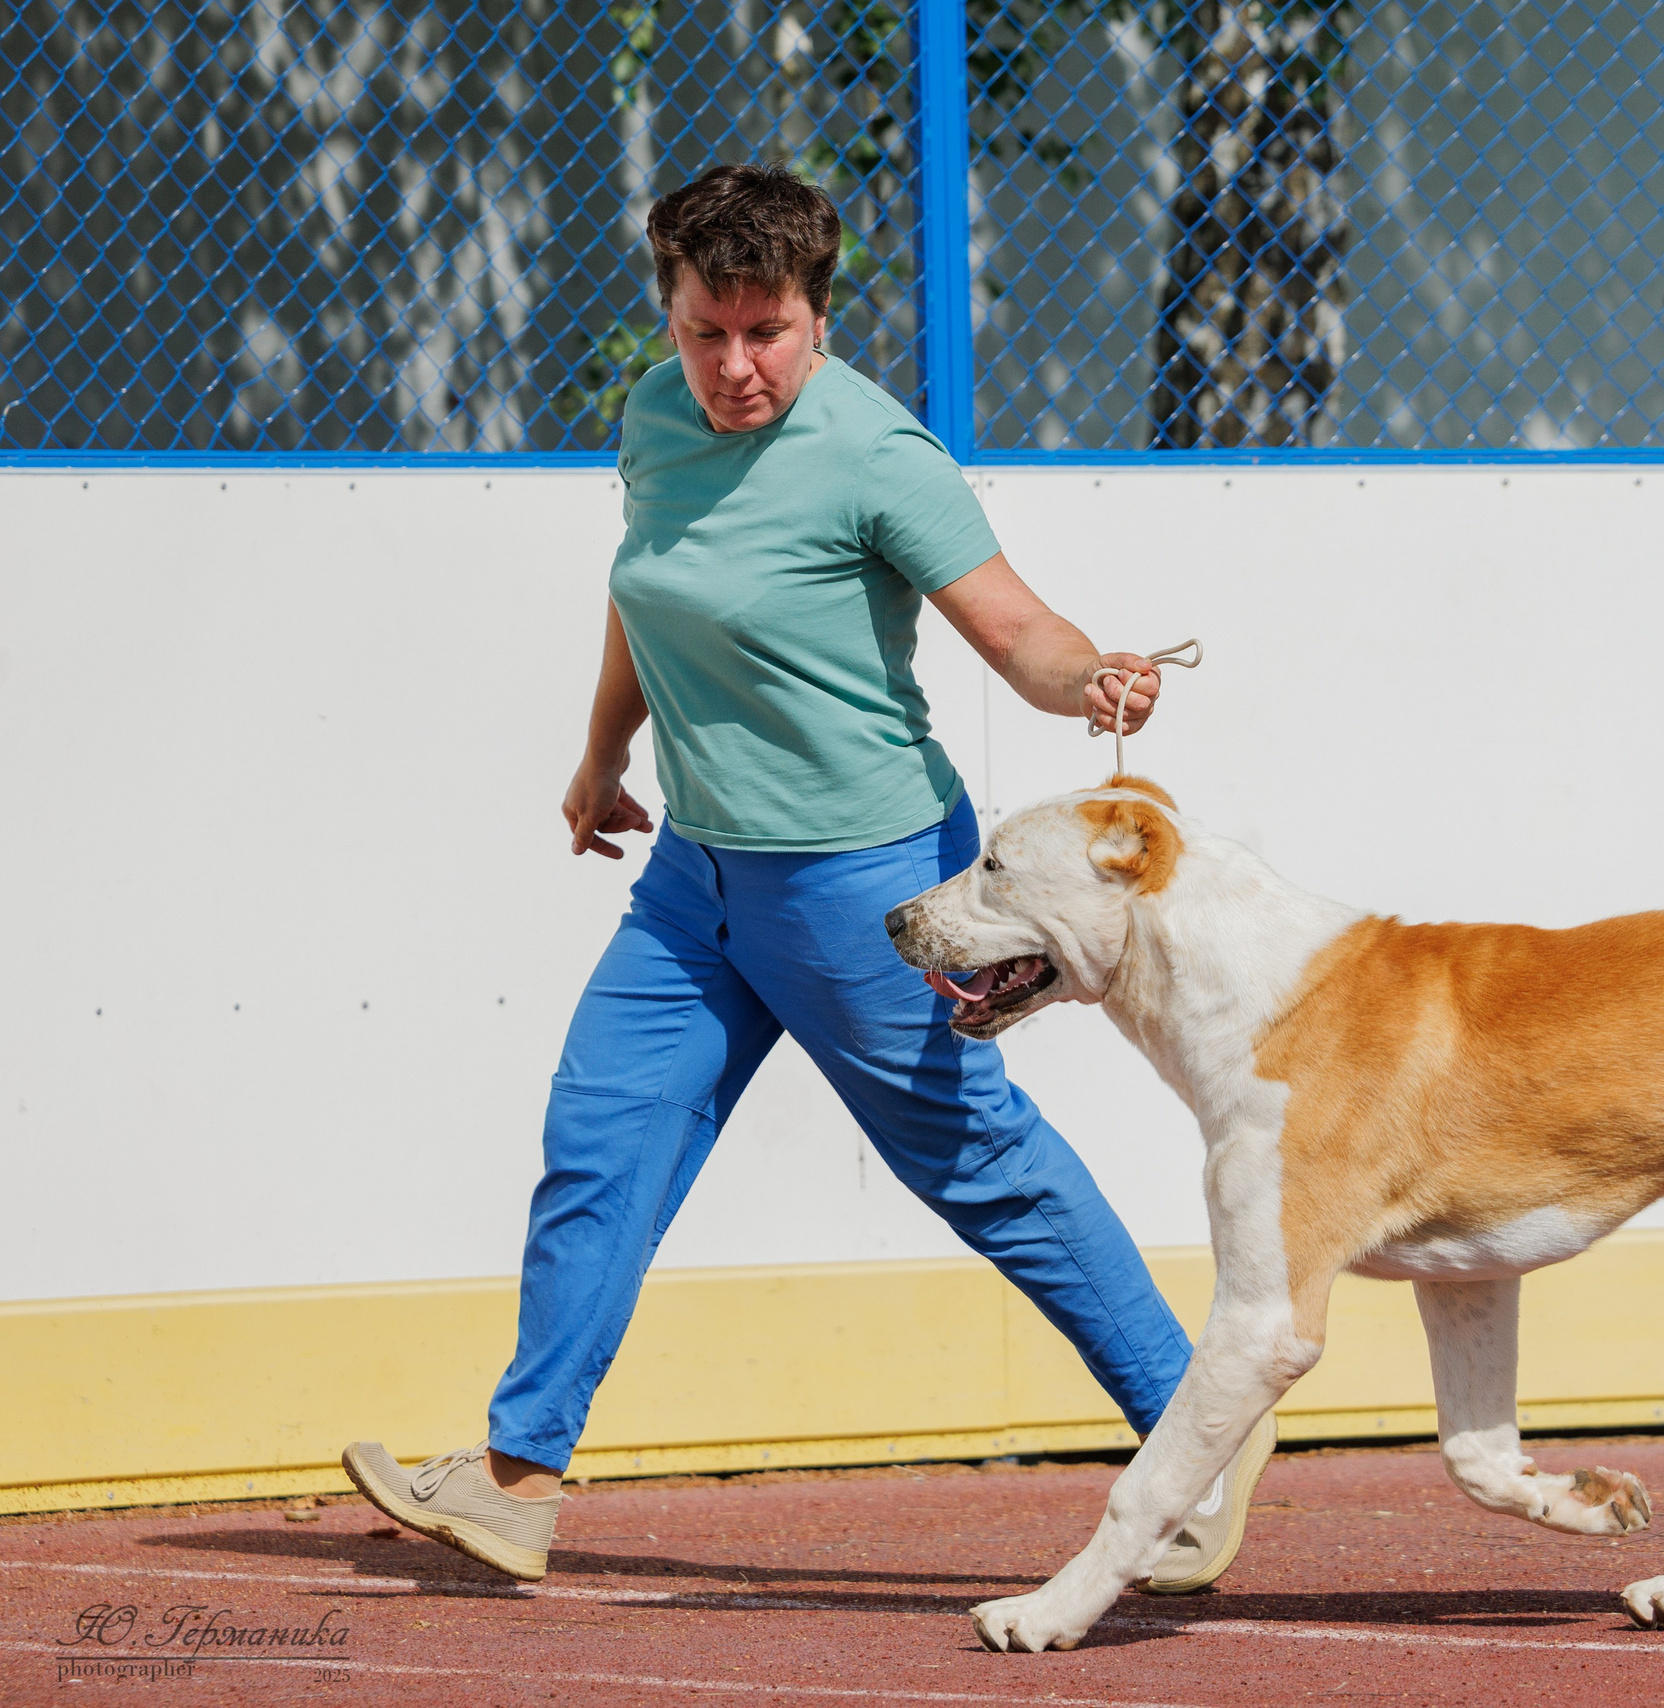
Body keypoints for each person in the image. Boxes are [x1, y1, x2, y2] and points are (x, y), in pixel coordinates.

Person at [342, 162, 1272, 1596]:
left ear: (817, 318)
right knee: (603, 1142)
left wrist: (1096, 677)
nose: (732, 366)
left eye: (764, 331)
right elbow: (647, 585)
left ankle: (1189, 1450)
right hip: (698, 883)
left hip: (866, 882)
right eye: (705, 329)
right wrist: (604, 756)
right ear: (669, 309)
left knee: (980, 1165)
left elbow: (1016, 631)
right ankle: (519, 1478)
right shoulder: (656, 418)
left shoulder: (876, 454)